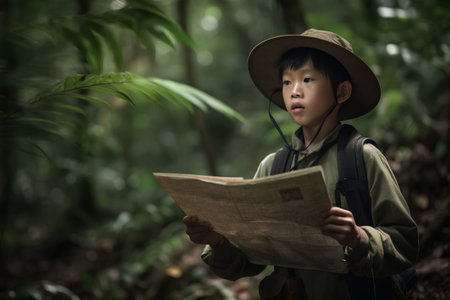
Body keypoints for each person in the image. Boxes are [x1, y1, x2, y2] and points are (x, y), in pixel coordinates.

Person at [182, 28, 418, 299]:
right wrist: (219, 241)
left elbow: (406, 244)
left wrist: (359, 239)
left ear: (341, 91)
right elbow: (250, 259)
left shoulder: (361, 157)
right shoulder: (272, 167)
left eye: (307, 79)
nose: (294, 91)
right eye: (286, 82)